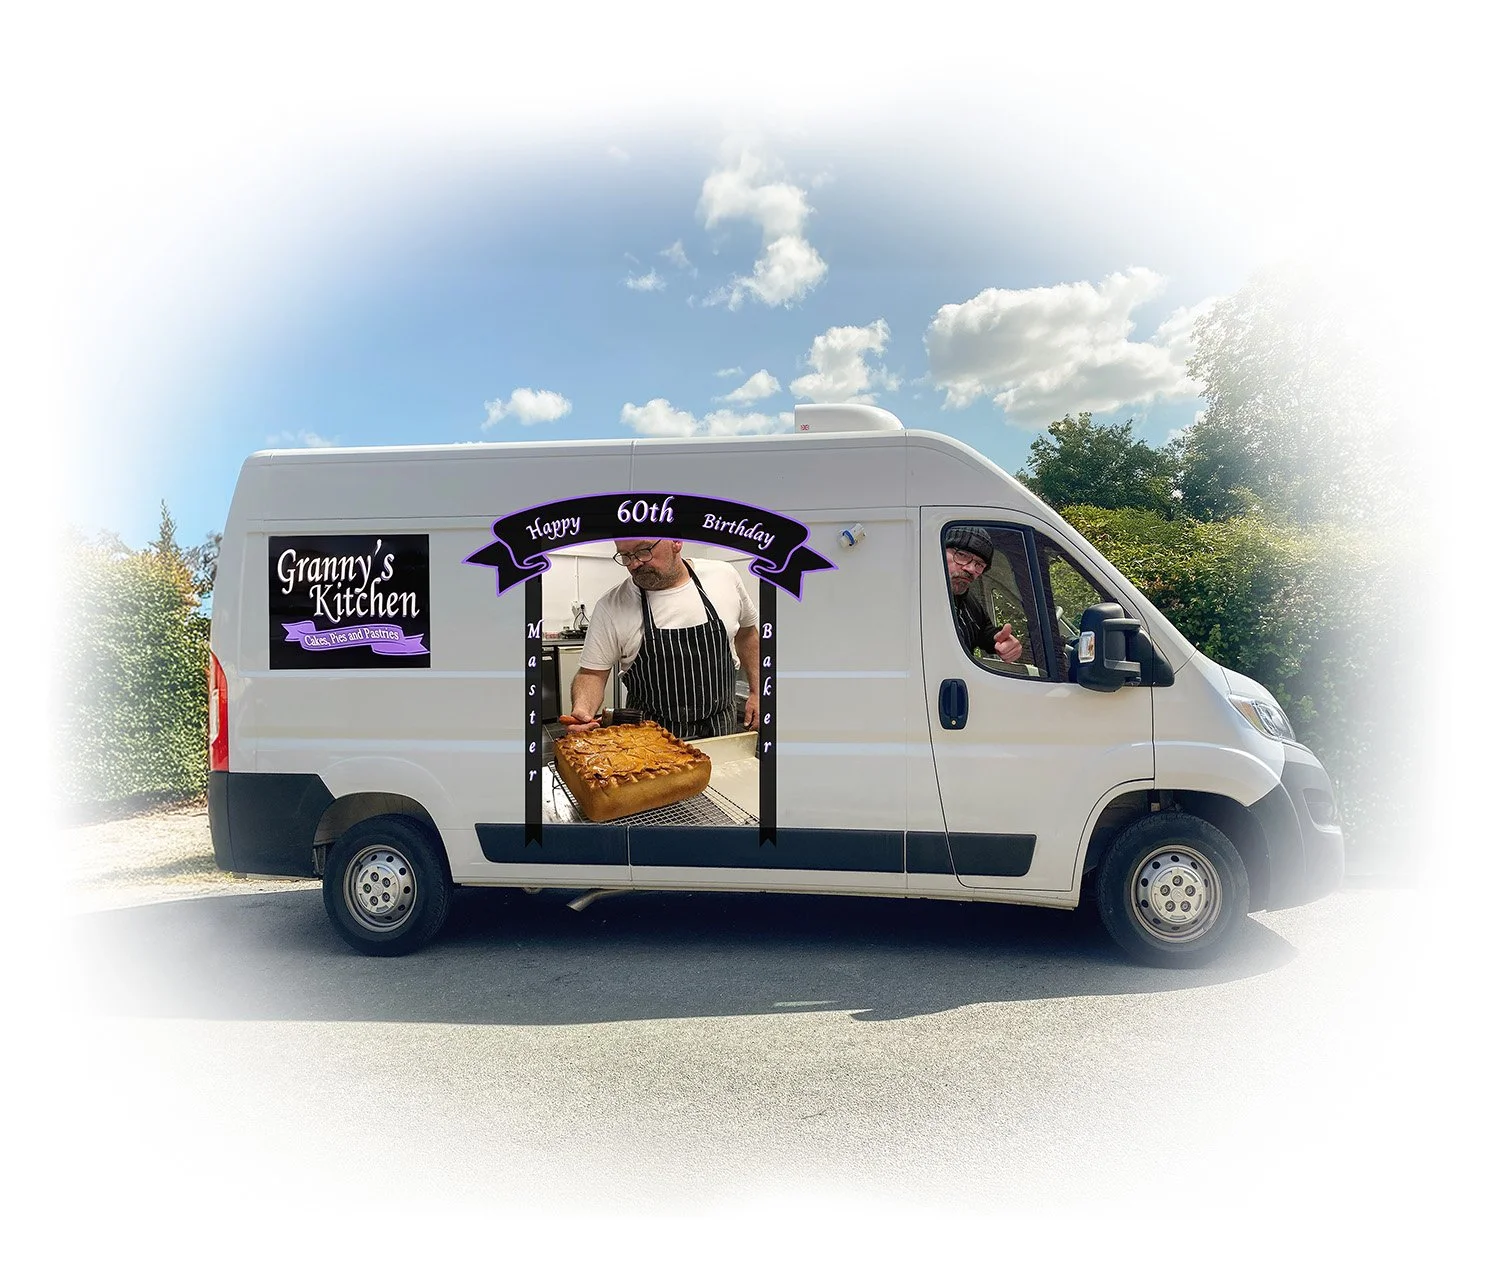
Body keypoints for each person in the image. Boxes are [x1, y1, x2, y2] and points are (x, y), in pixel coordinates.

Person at [565, 538, 759, 738]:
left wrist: (758, 690)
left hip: (719, 729)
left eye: (643, 550)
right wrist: (583, 711)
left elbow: (747, 634)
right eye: (625, 555)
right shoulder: (611, 607)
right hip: (649, 739)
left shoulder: (723, 577)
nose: (634, 563)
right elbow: (592, 674)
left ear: (676, 542)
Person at [944, 526, 1025, 664]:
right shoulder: (908, 595)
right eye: (962, 555)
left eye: (979, 564)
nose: (970, 569)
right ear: (940, 551)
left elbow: (984, 632)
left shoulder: (969, 604)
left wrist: (1003, 642)